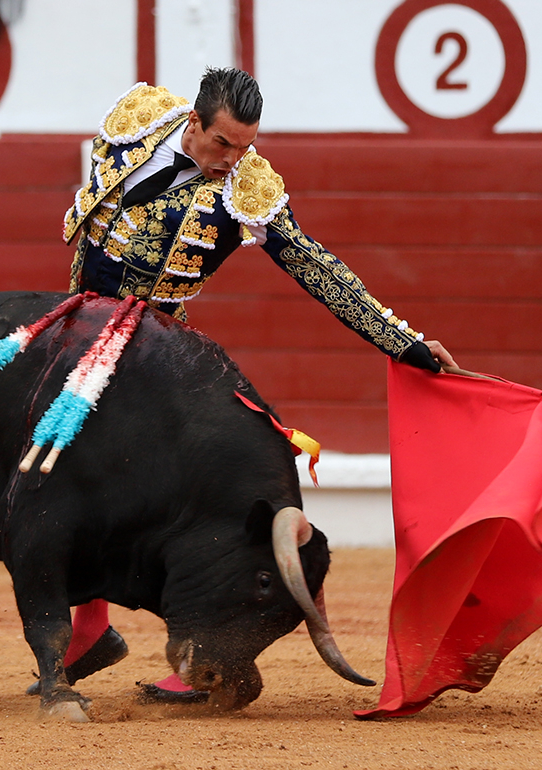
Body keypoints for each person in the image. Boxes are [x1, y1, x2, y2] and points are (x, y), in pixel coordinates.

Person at [50, 67, 459, 703]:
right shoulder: (140, 118)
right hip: (75, 328)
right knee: (71, 470)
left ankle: (201, 648)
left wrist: (401, 341)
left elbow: (316, 267)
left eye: (246, 146)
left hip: (150, 349)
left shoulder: (248, 191)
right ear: (193, 122)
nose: (233, 159)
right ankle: (92, 627)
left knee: (170, 491)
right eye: (223, 143)